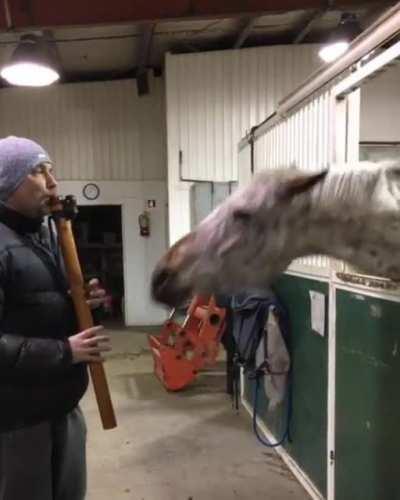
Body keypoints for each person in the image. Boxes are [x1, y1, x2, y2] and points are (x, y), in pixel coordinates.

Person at [0, 136, 111, 500]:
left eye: (51, 170)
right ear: (7, 181)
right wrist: (66, 351)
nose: (52, 182)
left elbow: (41, 305)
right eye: (37, 171)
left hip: (63, 405)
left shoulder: (48, 233)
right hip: (17, 420)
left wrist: (82, 301)